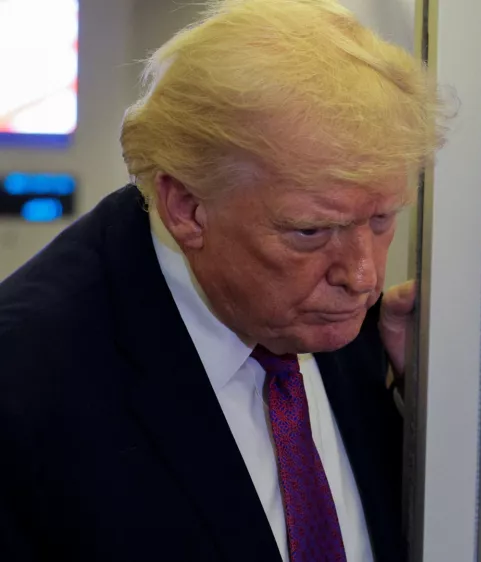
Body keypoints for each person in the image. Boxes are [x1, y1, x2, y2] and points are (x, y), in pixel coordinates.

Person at [0, 0, 443, 560]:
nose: (363, 275)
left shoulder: (355, 329)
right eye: (310, 231)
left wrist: (431, 406)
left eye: (382, 219)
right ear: (186, 207)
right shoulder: (26, 388)